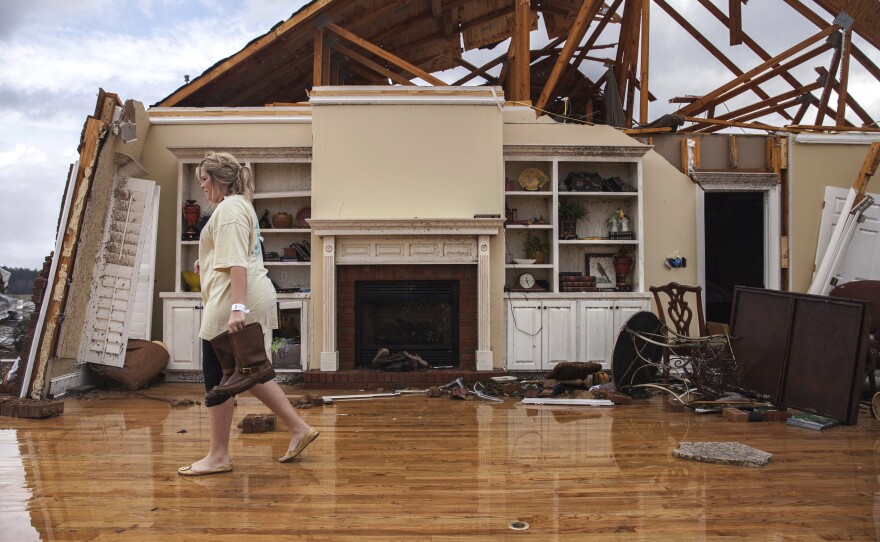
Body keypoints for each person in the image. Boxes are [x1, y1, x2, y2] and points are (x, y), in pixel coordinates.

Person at [178, 151, 318, 476]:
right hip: (245, 294)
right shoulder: (240, 205)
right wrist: (207, 262)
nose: (201, 186)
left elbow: (238, 262)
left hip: (233, 300)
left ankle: (217, 456)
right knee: (245, 369)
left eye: (203, 178)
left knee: (218, 375)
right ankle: (298, 428)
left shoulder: (227, 210)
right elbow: (239, 252)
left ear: (216, 179)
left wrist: (237, 309)